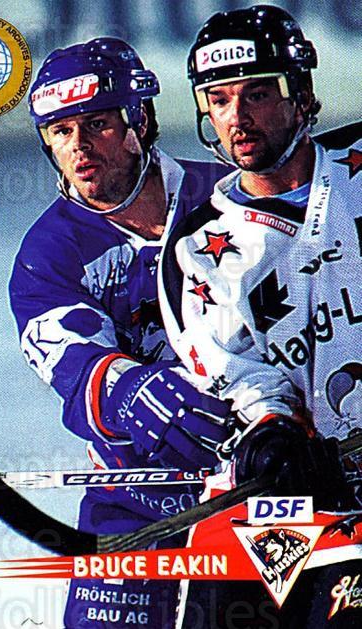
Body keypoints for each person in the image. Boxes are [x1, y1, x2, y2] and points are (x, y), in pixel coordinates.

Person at [9, 37, 232, 629]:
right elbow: (74, 363)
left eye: (97, 124)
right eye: (60, 132)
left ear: (141, 121)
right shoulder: (47, 255)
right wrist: (130, 391)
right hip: (138, 501)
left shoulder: (231, 199)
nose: (78, 147)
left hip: (267, 486)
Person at [159, 5, 361, 627]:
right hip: (304, 490)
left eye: (257, 94)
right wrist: (272, 431)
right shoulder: (196, 247)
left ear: (301, 94)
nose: (236, 117)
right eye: (218, 99)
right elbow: (240, 376)